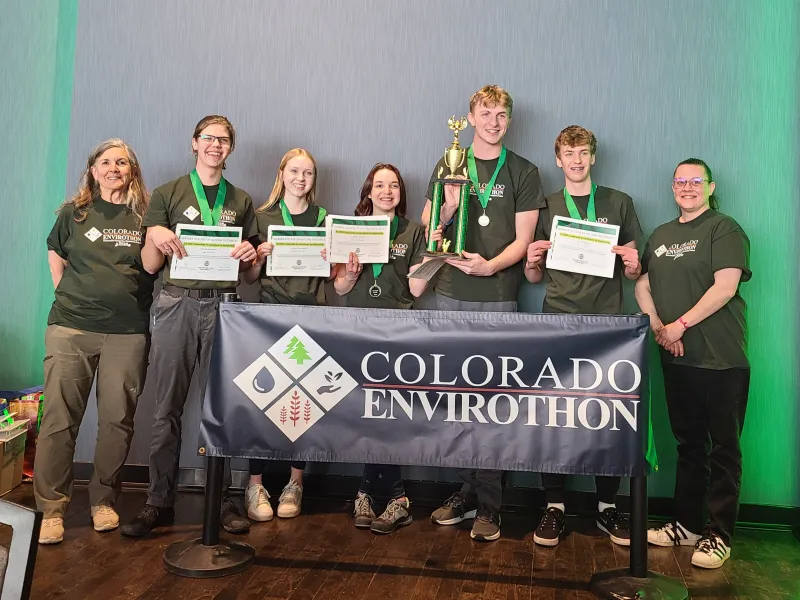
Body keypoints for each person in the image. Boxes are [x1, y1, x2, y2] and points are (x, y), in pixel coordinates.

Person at [122, 115, 258, 537]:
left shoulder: (241, 199)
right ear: (194, 144)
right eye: (209, 138)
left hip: (225, 307)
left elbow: (250, 277)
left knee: (223, 408)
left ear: (230, 149)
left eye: (224, 140)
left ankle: (223, 501)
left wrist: (253, 254)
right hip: (175, 304)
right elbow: (148, 265)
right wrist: (154, 235)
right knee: (167, 408)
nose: (216, 145)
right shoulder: (167, 194)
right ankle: (158, 501)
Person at [422, 85, 545, 542]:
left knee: (491, 401)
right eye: (485, 112)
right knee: (454, 398)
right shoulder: (449, 160)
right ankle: (466, 490)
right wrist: (445, 215)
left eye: (501, 115)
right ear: (470, 117)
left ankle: (491, 506)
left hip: (497, 293)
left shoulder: (524, 171)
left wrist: (489, 265)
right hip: (451, 290)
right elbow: (431, 229)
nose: (493, 121)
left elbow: (523, 238)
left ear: (508, 121)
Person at [523, 125, 642, 548]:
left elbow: (635, 271)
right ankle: (554, 505)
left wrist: (631, 263)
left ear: (593, 157)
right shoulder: (547, 205)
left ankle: (608, 507)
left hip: (609, 326)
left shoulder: (619, 202)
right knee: (554, 414)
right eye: (568, 153)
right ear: (559, 160)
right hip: (557, 320)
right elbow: (533, 276)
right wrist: (533, 261)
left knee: (606, 415)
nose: (576, 160)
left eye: (583, 152)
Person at [37, 139, 155, 544]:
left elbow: (155, 266)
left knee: (117, 422)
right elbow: (55, 251)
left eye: (122, 162)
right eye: (106, 162)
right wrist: (63, 291)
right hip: (72, 329)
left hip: (127, 331)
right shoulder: (75, 213)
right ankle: (51, 510)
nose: (114, 168)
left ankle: (103, 502)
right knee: (58, 420)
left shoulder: (146, 216)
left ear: (132, 170)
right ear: (93, 170)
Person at [635, 158, 751, 569]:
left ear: (709, 186)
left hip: (722, 359)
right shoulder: (662, 235)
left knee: (723, 450)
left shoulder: (724, 228)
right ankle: (686, 526)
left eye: (695, 181)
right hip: (678, 359)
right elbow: (643, 282)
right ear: (672, 187)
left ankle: (718, 535)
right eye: (680, 181)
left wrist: (679, 324)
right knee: (689, 447)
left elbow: (726, 286)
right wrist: (657, 326)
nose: (687, 187)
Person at [333, 163, 431, 533]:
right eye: (379, 185)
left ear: (401, 193)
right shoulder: (350, 228)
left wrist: (433, 255)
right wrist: (353, 274)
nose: (387, 191)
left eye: (393, 186)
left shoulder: (413, 231)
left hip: (398, 331)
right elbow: (341, 288)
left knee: (388, 414)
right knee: (366, 413)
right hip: (358, 329)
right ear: (368, 191)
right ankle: (393, 497)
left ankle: (373, 493)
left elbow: (417, 290)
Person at [240, 148, 329, 522]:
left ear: (314, 179)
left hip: (310, 318)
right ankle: (255, 483)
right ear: (281, 173)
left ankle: (296, 482)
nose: (300, 178)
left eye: (307, 173)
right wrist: (257, 259)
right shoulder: (262, 217)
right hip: (269, 318)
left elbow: (333, 279)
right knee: (262, 403)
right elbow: (249, 278)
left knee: (303, 406)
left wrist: (332, 257)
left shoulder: (324, 218)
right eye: (294, 171)